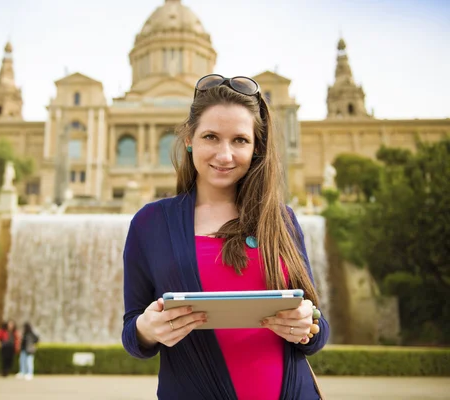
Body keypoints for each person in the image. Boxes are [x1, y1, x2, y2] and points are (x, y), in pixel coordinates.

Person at [121, 74, 330, 399]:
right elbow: (133, 334)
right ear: (189, 138)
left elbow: (317, 325)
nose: (224, 155)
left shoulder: (281, 219)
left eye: (240, 140)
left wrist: (307, 325)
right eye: (211, 137)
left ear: (257, 146)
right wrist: (145, 330)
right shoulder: (150, 223)